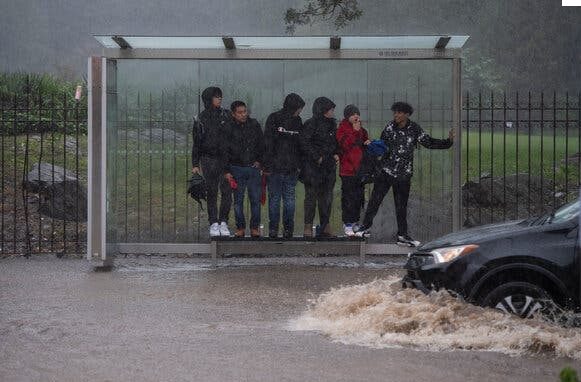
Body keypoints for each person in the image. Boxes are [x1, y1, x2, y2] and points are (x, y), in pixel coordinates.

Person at [355, 101, 455, 246]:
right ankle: (365, 227)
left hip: (403, 174)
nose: (396, 115)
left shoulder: (414, 129)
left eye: (399, 112)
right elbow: (383, 146)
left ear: (407, 114)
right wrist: (374, 148)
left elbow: (428, 142)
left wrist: (448, 142)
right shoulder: (389, 127)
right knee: (375, 200)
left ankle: (402, 234)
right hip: (386, 171)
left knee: (401, 206)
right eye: (395, 112)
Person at [263, 93, 306, 238]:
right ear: (295, 107)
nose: (300, 111)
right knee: (289, 199)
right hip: (290, 166)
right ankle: (288, 230)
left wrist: (267, 165)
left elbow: (268, 143)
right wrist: (298, 164)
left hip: (276, 167)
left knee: (275, 199)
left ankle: (273, 229)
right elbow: (300, 144)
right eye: (299, 108)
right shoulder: (297, 121)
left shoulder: (273, 118)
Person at [191, 86, 232, 237]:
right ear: (209, 99)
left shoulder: (226, 115)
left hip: (225, 158)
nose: (219, 98)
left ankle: (223, 221)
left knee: (227, 191)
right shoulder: (200, 118)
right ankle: (213, 222)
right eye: (216, 96)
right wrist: (195, 164)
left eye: (220, 96)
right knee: (212, 191)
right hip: (208, 159)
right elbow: (196, 143)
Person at [224, 101, 265, 238]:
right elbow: (224, 150)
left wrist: (260, 161)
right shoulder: (228, 127)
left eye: (245, 111)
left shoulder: (254, 125)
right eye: (240, 112)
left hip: (253, 168)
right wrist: (227, 171)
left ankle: (254, 228)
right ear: (233, 114)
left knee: (255, 200)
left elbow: (262, 144)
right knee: (238, 201)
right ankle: (240, 228)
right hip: (236, 168)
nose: (243, 115)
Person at [300, 97, 339, 238]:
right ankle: (308, 226)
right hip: (313, 168)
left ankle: (325, 225)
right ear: (323, 110)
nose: (333, 112)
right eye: (330, 110)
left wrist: (336, 153)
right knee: (311, 198)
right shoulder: (311, 124)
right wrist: (317, 156)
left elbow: (336, 143)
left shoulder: (333, 125)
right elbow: (304, 143)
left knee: (327, 198)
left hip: (328, 168)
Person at [336, 105, 370, 236]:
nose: (356, 116)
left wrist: (367, 142)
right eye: (352, 114)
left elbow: (364, 141)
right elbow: (345, 145)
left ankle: (356, 222)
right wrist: (355, 131)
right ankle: (347, 223)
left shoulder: (361, 129)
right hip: (347, 170)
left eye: (357, 113)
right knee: (348, 198)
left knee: (358, 197)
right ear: (347, 116)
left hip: (359, 170)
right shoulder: (342, 129)